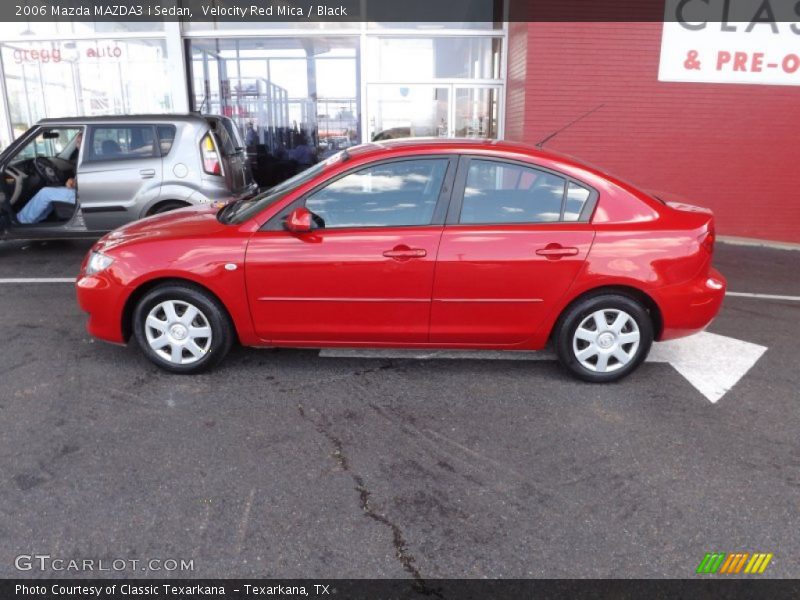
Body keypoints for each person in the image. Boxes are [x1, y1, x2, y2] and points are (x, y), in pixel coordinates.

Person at [17, 131, 82, 225]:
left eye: (79, 142)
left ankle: (21, 221)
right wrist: (73, 181)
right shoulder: (86, 156)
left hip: (81, 195)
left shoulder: (90, 158)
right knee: (52, 193)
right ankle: (37, 220)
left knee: (45, 193)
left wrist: (75, 183)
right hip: (79, 191)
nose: (77, 145)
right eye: (77, 142)